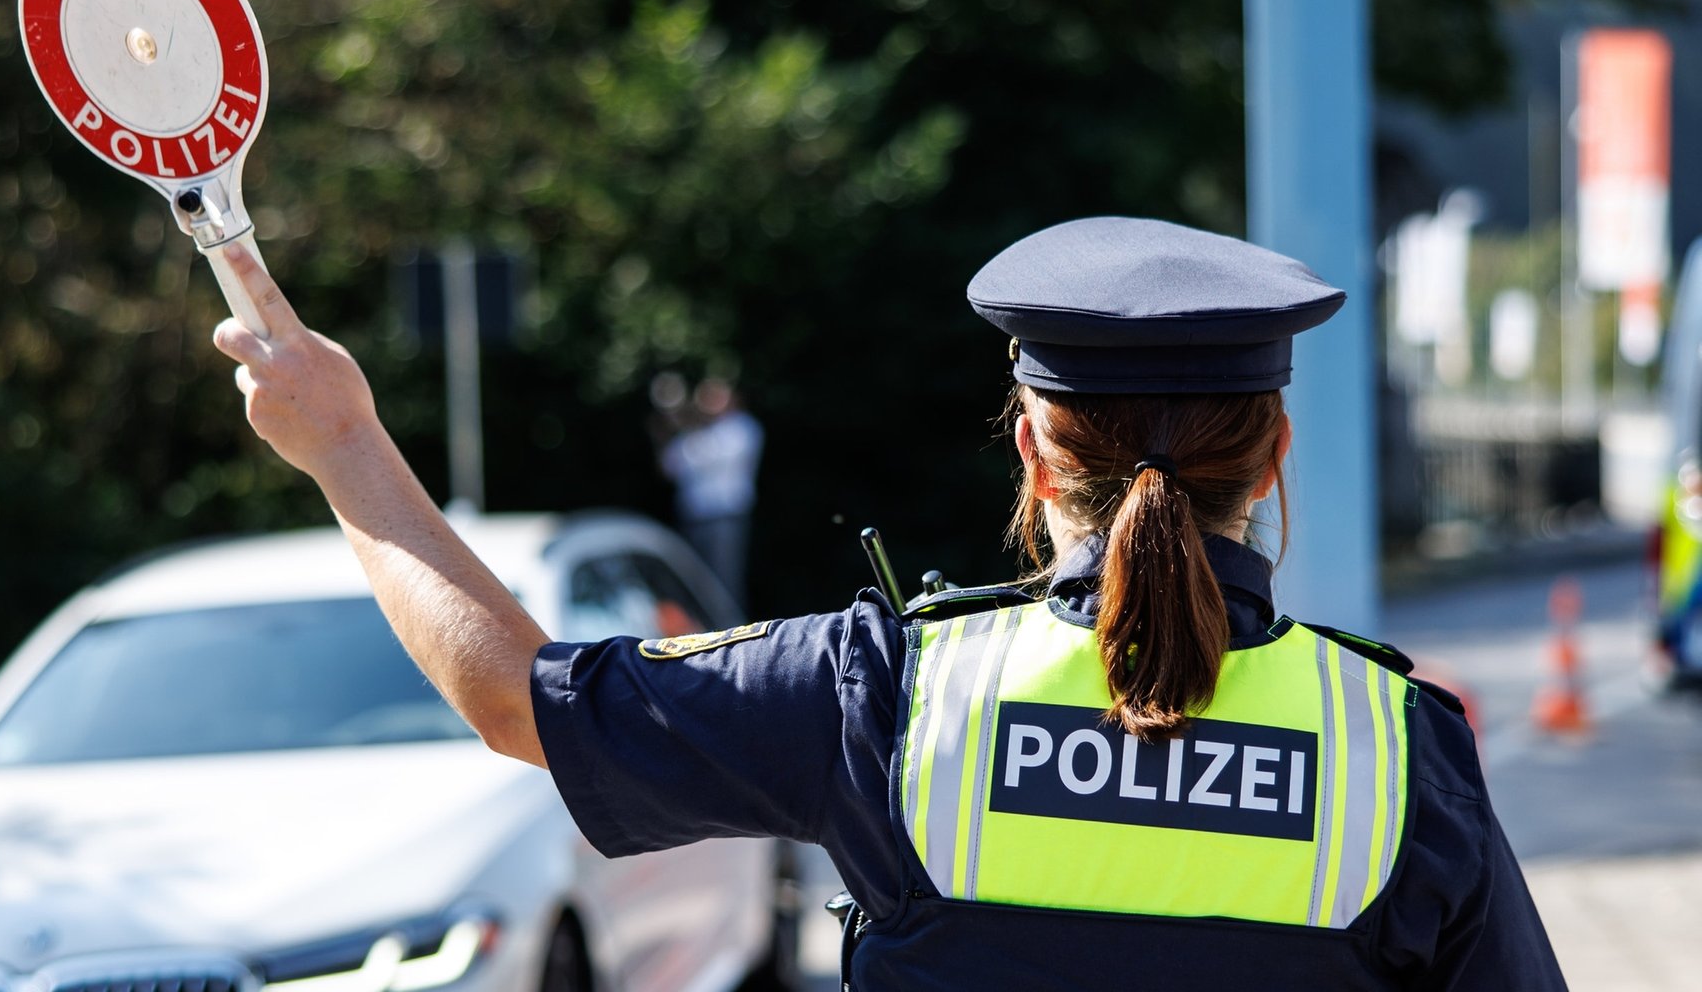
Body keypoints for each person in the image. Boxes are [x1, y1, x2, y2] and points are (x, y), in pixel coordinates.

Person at [211, 216, 1564, 990]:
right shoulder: (1402, 752)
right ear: (1272, 455)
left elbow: (516, 697)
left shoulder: (890, 698)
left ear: (1031, 448)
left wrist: (344, 446)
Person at [655, 377, 764, 609]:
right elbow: (670, 467)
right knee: (696, 583)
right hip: (695, 518)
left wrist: (684, 427)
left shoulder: (742, 427)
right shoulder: (698, 433)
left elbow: (707, 458)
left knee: (724, 581)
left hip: (725, 517)